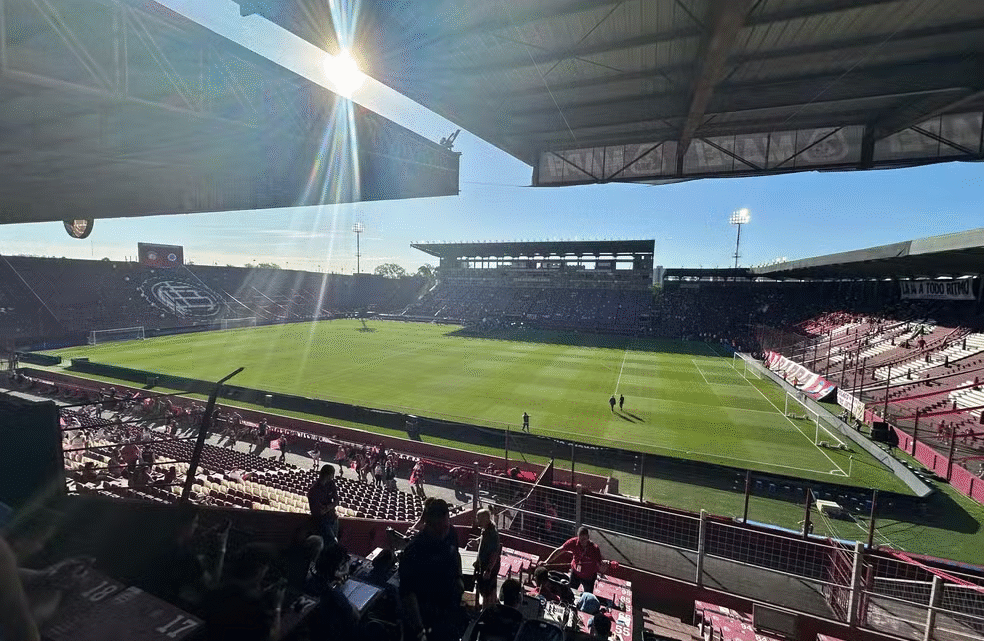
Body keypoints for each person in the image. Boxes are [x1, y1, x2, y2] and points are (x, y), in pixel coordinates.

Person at [399, 498, 465, 641]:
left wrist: (459, 578)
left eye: (446, 527)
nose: (443, 532)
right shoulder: (414, 550)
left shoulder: (451, 533)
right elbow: (407, 594)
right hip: (424, 619)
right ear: (427, 524)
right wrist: (419, 629)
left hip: (447, 615)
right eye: (438, 528)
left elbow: (456, 554)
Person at [199, 543, 284, 641]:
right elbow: (273, 637)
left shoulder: (216, 591)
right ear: (261, 569)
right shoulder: (257, 607)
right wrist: (277, 607)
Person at [541, 526, 604, 595]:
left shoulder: (594, 549)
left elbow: (600, 563)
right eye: (580, 539)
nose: (582, 542)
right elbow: (559, 550)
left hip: (589, 577)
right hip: (575, 574)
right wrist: (547, 561)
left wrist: (601, 566)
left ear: (588, 537)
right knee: (570, 592)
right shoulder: (573, 542)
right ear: (578, 537)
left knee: (587, 595)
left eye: (584, 539)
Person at [473, 508, 501, 610]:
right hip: (485, 565)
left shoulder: (492, 534)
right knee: (490, 590)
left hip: (489, 567)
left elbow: (494, 554)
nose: (477, 521)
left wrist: (488, 570)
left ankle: (485, 612)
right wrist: (477, 541)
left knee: (486, 592)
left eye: (479, 519)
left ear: (485, 519)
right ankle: (492, 607)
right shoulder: (486, 529)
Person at [308, 464, 340, 544]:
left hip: (333, 518)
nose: (333, 477)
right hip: (321, 521)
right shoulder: (314, 489)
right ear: (328, 474)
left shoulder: (331, 484)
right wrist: (329, 507)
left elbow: (336, 500)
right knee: (332, 542)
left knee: (333, 540)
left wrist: (327, 507)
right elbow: (318, 511)